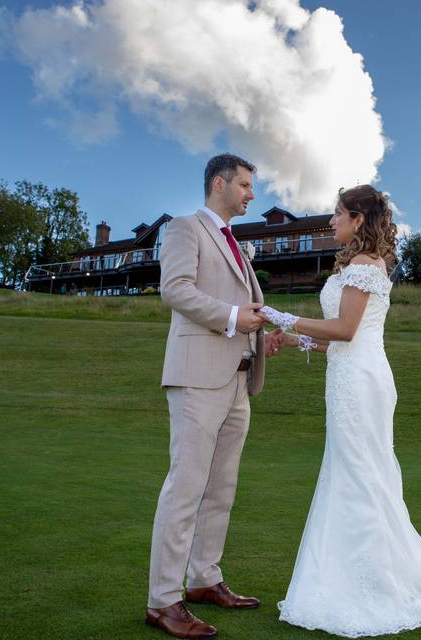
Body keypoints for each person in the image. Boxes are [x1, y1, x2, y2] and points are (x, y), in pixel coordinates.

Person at [265, 184, 421, 637]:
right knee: (352, 472)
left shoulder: (365, 265)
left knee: (362, 474)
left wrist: (277, 316)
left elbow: (345, 330)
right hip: (348, 378)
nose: (330, 222)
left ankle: (372, 584)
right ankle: (348, 575)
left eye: (337, 214)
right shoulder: (355, 265)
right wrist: (293, 339)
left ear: (357, 220)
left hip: (361, 383)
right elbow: (333, 340)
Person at [146, 153, 268, 640]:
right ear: (219, 184)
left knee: (221, 489)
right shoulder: (183, 227)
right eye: (244, 185)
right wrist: (238, 318)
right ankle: (162, 602)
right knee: (186, 488)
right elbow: (174, 290)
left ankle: (203, 580)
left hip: (239, 380)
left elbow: (241, 309)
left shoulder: (237, 245)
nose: (251, 194)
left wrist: (261, 337)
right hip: (197, 379)